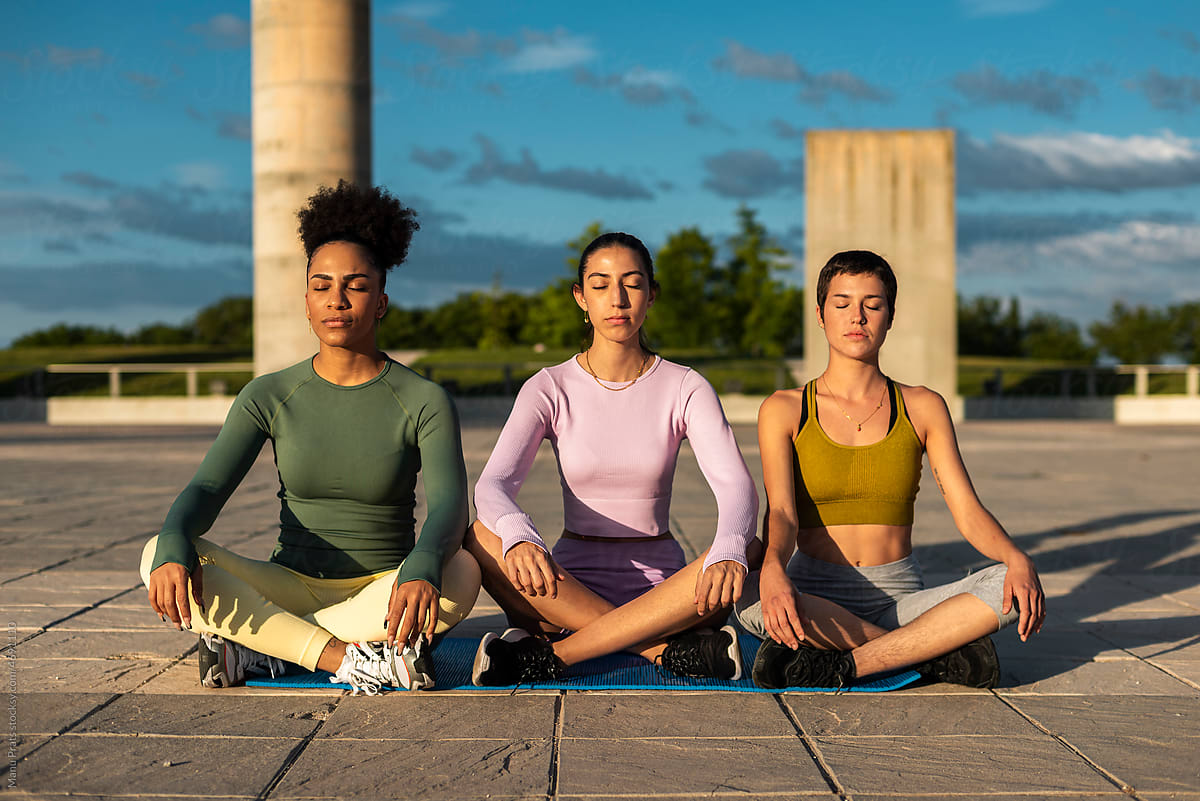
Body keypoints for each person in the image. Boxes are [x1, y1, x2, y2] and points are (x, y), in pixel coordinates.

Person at [140, 180, 481, 695]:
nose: (337, 300)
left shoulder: (422, 399)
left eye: (356, 286)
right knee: (156, 555)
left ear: (382, 302)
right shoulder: (269, 393)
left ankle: (264, 648)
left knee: (461, 573)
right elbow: (207, 491)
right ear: (305, 301)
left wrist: (424, 564)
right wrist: (171, 543)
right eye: (322, 286)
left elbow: (451, 507)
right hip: (286, 585)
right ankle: (347, 658)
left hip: (381, 590)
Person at [735, 250, 1045, 690]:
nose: (856, 317)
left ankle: (848, 665)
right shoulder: (784, 409)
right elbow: (781, 512)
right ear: (821, 315)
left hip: (900, 598)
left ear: (890, 316)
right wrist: (773, 570)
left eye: (872, 305)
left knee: (1007, 586)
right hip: (814, 596)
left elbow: (966, 509)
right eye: (841, 304)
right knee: (745, 584)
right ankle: (927, 652)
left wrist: (1016, 558)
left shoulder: (923, 406)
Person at [467, 232, 760, 685]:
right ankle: (661, 651)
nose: (617, 299)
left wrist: (726, 547)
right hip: (565, 590)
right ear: (580, 298)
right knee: (480, 537)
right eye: (600, 285)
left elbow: (736, 485)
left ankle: (550, 656)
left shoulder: (685, 385)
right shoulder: (549, 386)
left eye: (632, 283)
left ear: (651, 295)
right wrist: (519, 535)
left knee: (748, 546)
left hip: (664, 593)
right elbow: (493, 485)